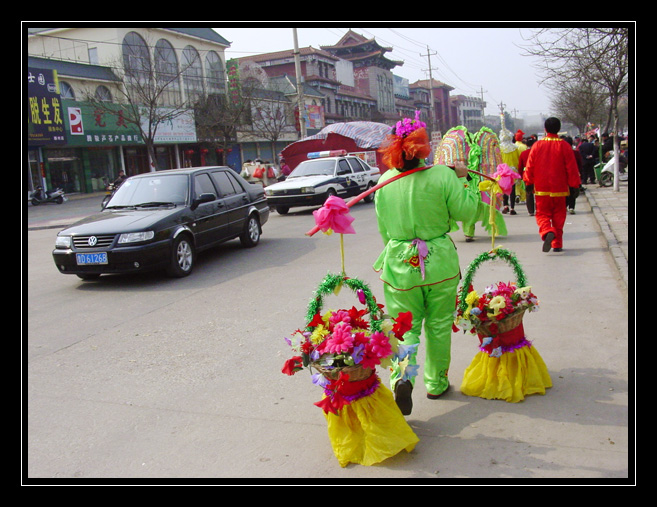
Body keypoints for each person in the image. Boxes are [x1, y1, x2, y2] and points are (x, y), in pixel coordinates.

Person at [374, 112, 480, 414]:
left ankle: (402, 378)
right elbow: (467, 212)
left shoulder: (384, 180)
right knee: (438, 326)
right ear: (423, 148)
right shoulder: (443, 175)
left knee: (404, 329)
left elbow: (384, 229)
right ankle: (436, 383)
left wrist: (397, 254)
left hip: (399, 265)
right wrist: (467, 179)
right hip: (440, 265)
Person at [523, 117, 581, 252]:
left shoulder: (537, 146)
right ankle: (557, 243)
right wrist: (574, 185)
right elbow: (572, 168)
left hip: (541, 189)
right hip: (560, 188)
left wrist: (528, 182)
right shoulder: (565, 146)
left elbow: (529, 166)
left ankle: (547, 231)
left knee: (542, 214)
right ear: (559, 129)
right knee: (559, 215)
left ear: (545, 129)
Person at [499, 128, 521, 215]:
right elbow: (517, 160)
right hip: (513, 170)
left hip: (503, 171)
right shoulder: (515, 148)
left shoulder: (500, 148)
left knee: (504, 189)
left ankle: (505, 206)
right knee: (512, 189)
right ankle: (512, 207)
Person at [562, 136, 582, 214]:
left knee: (565, 190)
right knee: (573, 190)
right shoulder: (576, 153)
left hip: (564, 175)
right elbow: (580, 164)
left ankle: (565, 205)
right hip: (574, 174)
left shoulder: (562, 153)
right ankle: (571, 207)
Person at [517, 137, 536, 215]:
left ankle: (531, 210)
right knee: (538, 192)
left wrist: (521, 175)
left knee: (529, 192)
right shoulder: (536, 152)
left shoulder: (523, 153)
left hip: (526, 174)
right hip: (536, 173)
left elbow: (520, 166)